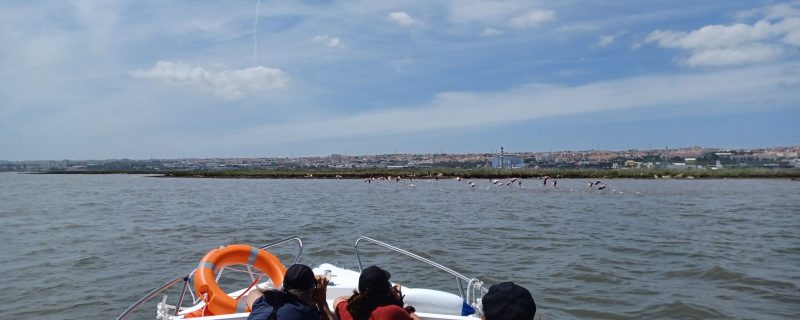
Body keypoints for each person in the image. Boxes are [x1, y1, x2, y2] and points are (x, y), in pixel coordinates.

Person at [247, 264, 334, 320]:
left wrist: (277, 292)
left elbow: (253, 293)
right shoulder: (305, 312)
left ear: (284, 284)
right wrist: (321, 302)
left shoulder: (265, 302)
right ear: (311, 290)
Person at [334, 266, 420, 320]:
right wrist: (401, 304)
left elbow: (338, 300)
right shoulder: (392, 311)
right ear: (386, 290)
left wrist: (361, 298)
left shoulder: (349, 310)